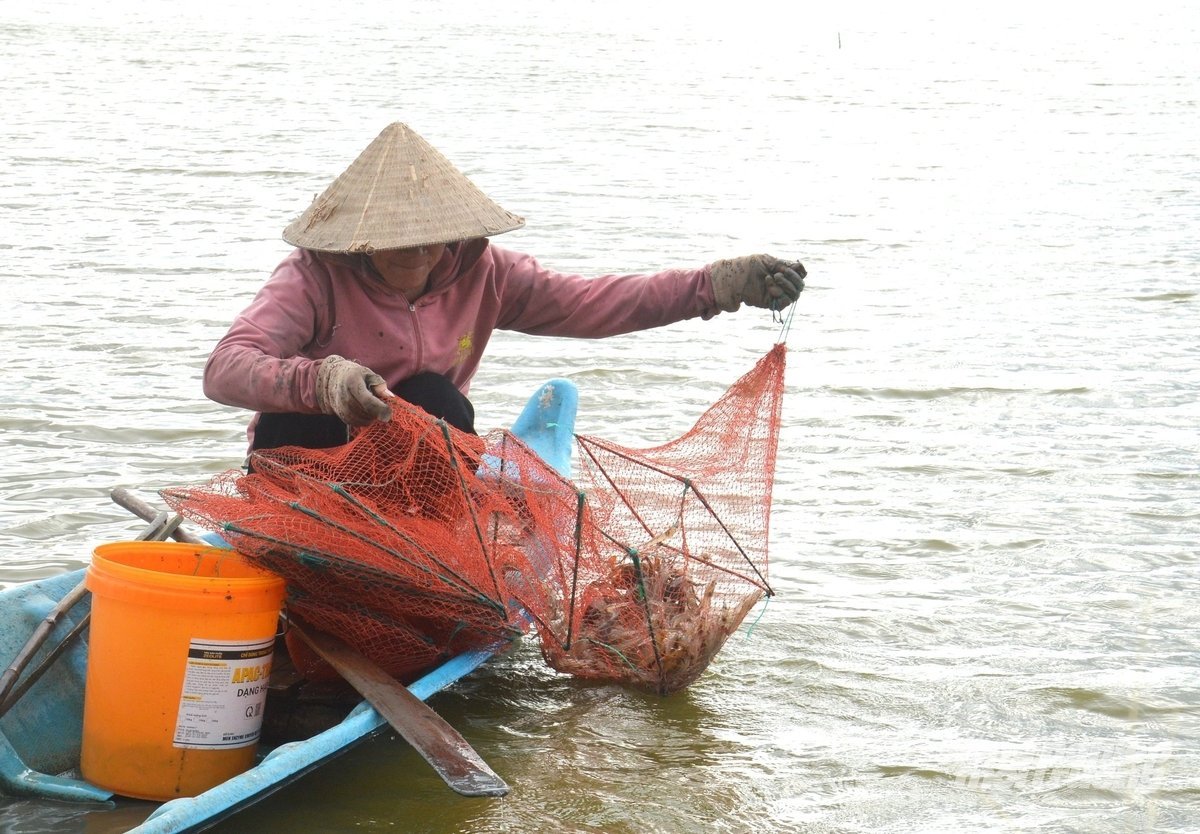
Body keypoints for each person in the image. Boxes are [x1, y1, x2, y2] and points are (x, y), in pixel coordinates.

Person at [203, 122, 805, 457]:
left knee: (435, 398)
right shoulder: (313, 276)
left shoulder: (486, 272)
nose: (420, 252)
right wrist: (324, 382)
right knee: (416, 396)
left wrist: (714, 286)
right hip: (308, 454)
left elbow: (596, 303)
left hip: (414, 461)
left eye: (434, 236)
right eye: (399, 240)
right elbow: (226, 368)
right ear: (360, 241)